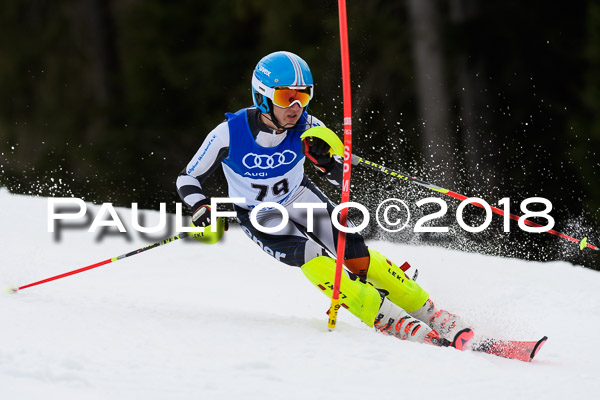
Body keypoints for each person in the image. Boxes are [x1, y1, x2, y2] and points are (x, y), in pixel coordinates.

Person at [176, 51, 473, 349]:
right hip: (260, 214)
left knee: (356, 255)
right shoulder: (228, 133)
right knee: (313, 258)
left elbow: (340, 178)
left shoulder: (309, 126)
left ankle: (429, 312)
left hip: (300, 197)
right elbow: (187, 177)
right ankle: (387, 317)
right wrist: (200, 206)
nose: (295, 107)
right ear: (263, 97)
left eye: (302, 97)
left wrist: (327, 163)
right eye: (286, 97)